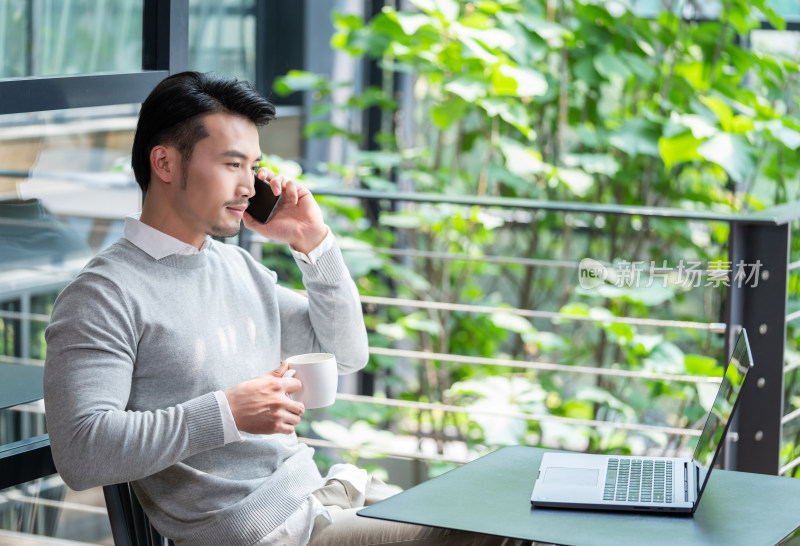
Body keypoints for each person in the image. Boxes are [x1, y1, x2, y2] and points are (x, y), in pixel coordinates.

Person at [43, 71, 533, 546]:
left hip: (320, 501)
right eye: (232, 164)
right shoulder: (103, 295)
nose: (248, 187)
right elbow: (82, 453)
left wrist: (314, 244)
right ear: (166, 164)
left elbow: (342, 356)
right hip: (269, 532)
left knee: (516, 508)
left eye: (253, 167)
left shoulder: (237, 270)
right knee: (505, 529)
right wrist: (228, 412)